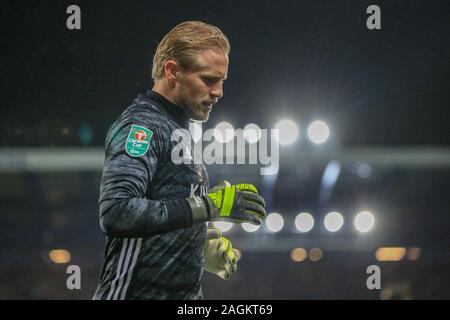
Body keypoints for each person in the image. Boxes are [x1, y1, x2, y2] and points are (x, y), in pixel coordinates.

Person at [93, 21, 266, 300]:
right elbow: (117, 212)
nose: (219, 91)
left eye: (222, 81)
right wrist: (212, 205)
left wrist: (199, 248)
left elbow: (173, 208)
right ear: (172, 71)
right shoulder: (142, 126)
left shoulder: (182, 129)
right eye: (209, 79)